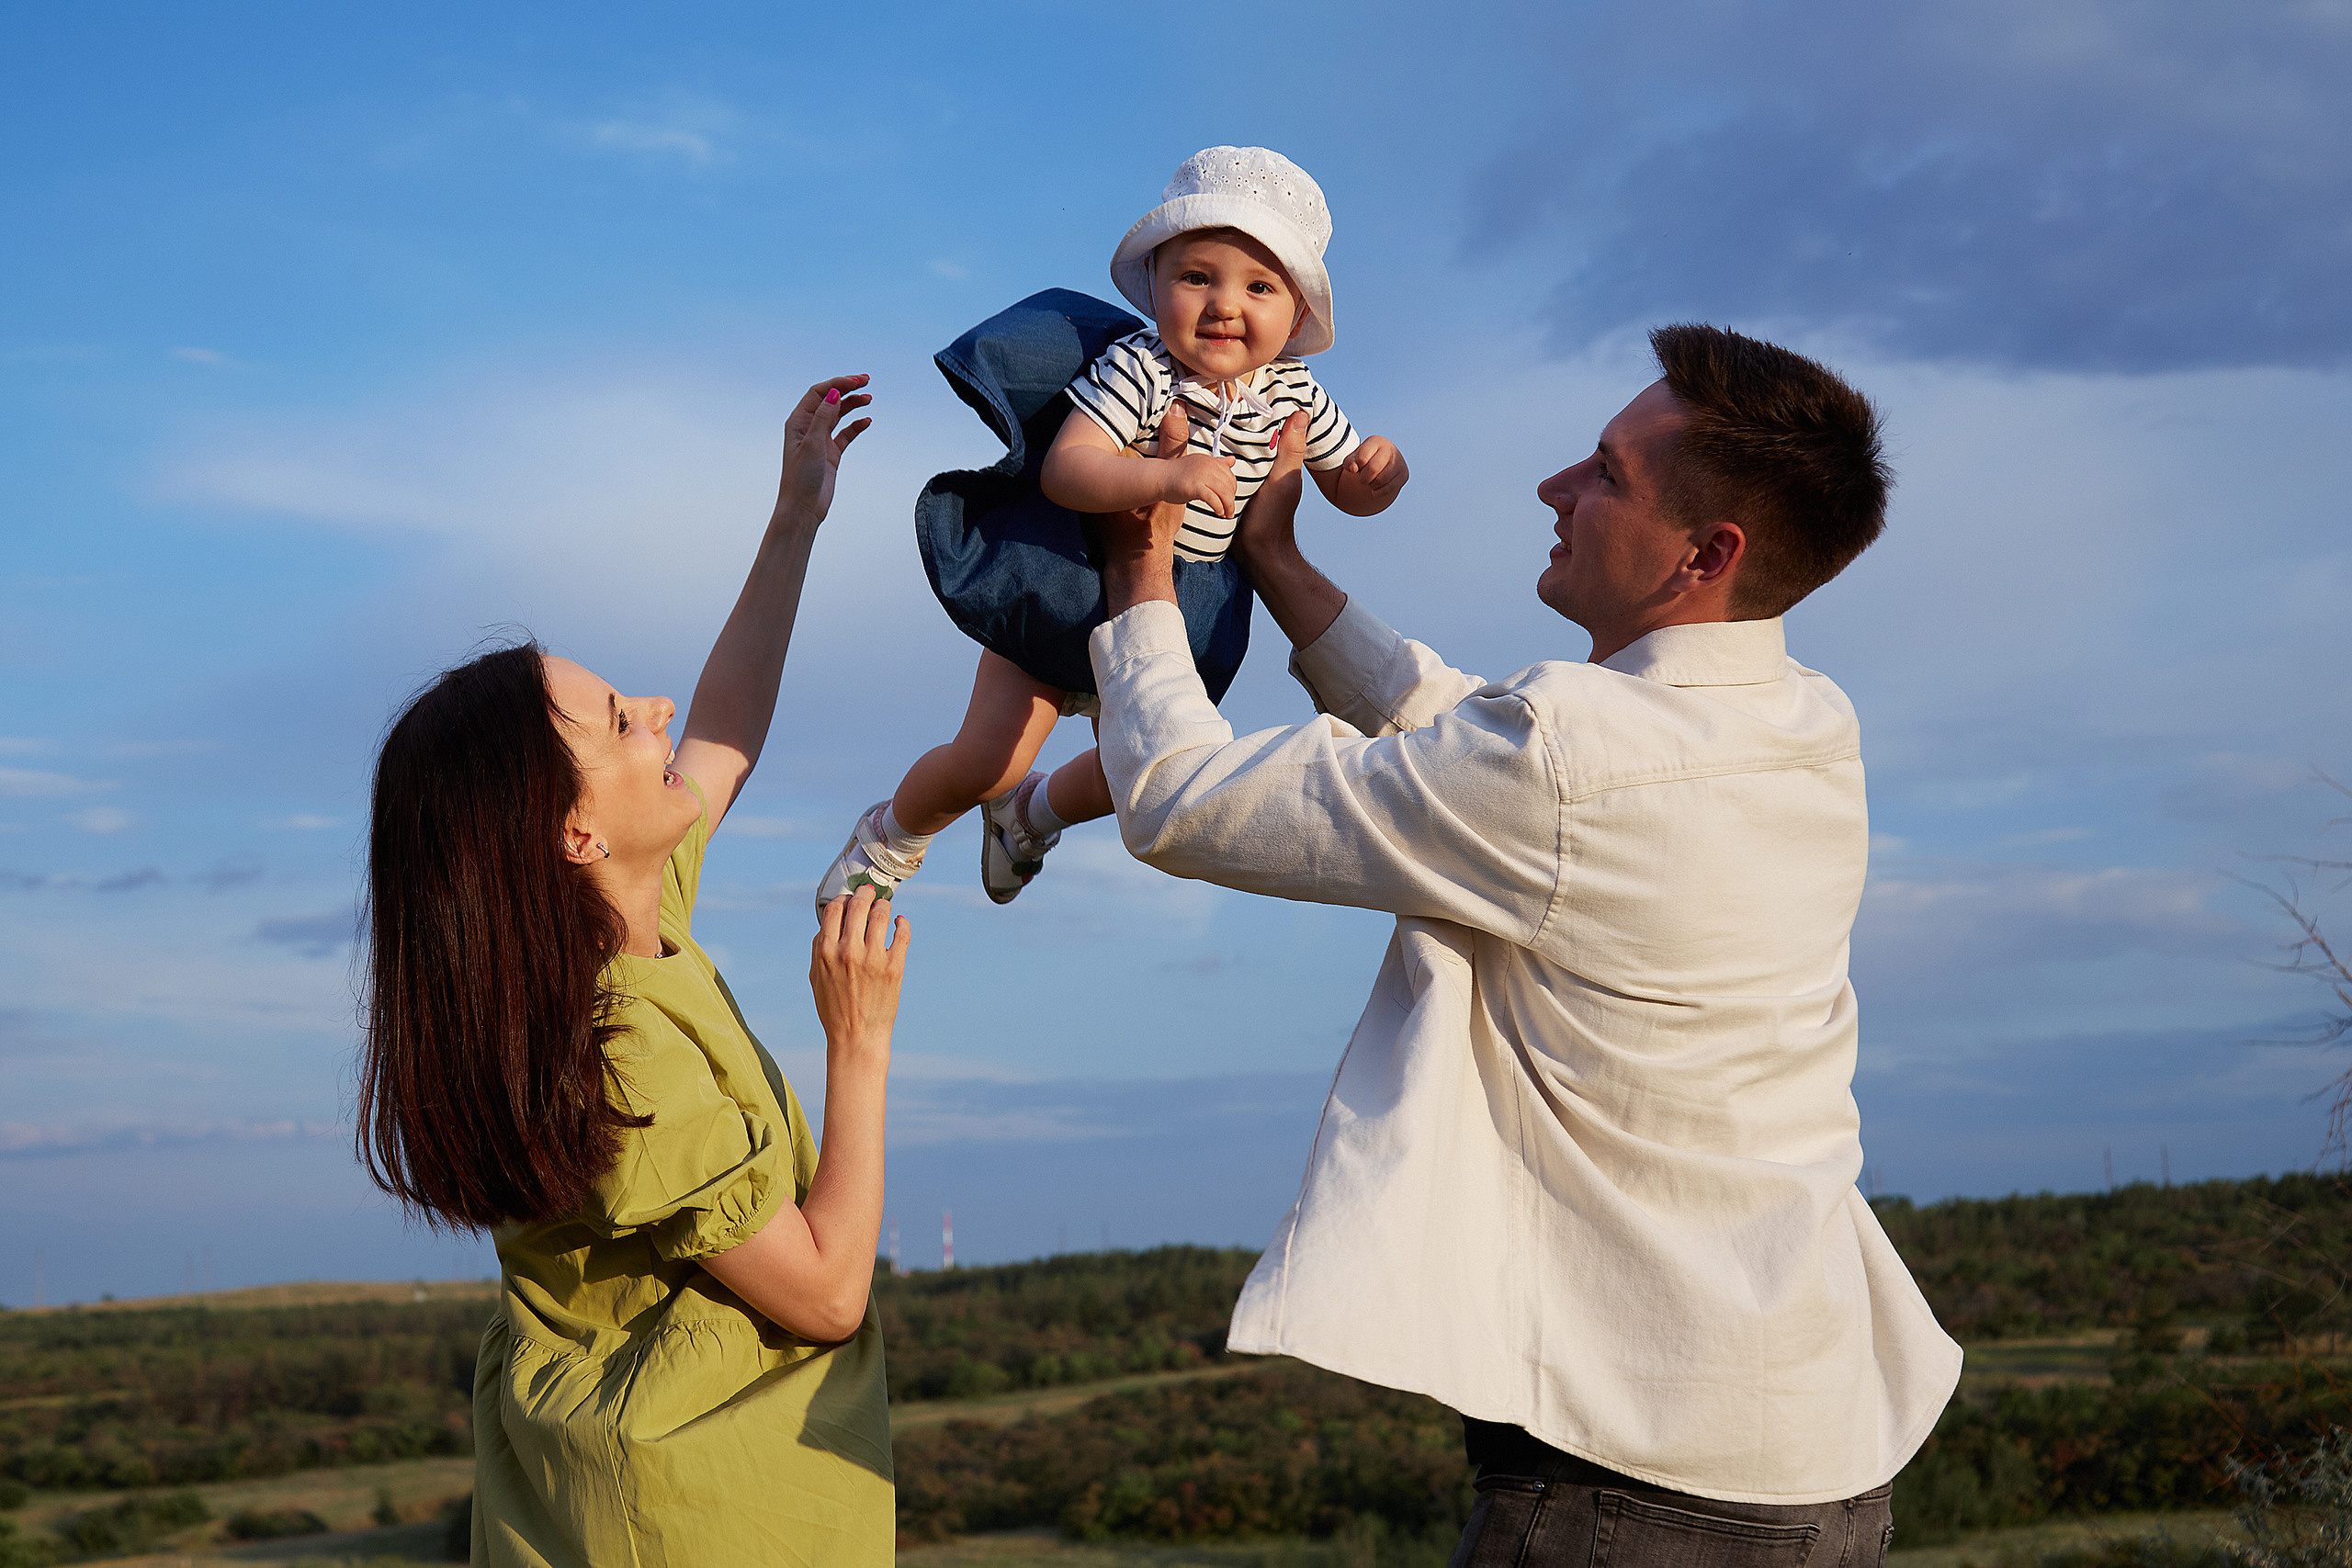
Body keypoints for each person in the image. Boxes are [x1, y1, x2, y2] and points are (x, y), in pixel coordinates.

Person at [1085, 326, 1962, 1564]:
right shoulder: (1810, 722)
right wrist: (1277, 562)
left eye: (1605, 474)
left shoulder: (1567, 756)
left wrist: (1138, 567)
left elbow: (1180, 800)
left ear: (1706, 553)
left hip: (1631, 1490)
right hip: (1827, 1468)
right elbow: (1478, 741)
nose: (1554, 487)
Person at [356, 375, 911, 1568]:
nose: (656, 710)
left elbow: (724, 726)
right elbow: (827, 1294)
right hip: (699, 1522)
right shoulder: (613, 1050)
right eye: (619, 723)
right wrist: (858, 1042)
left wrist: (794, 519)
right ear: (574, 834)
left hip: (614, 1511)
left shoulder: (614, 930)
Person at [817, 147, 1408, 913]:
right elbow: (1069, 468)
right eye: (1197, 277)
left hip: (1180, 607)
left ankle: (1028, 819)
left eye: (1259, 287)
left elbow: (1342, 485)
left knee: (1146, 771)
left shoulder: (1295, 392)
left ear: (1296, 316)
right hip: (1069, 575)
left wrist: (1376, 478)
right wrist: (1163, 478)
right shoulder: (1144, 368)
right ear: (1154, 283)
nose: (1225, 305)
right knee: (992, 756)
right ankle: (888, 840)